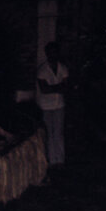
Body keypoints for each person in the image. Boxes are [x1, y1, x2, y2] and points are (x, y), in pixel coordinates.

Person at [36, 42, 69, 170]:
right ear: (47, 53)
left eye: (55, 52)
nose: (53, 54)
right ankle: (50, 159)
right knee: (49, 133)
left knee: (58, 133)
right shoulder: (42, 70)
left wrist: (53, 88)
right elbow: (44, 89)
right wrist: (58, 87)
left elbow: (65, 88)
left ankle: (59, 159)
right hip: (46, 106)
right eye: (51, 52)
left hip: (59, 104)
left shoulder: (63, 68)